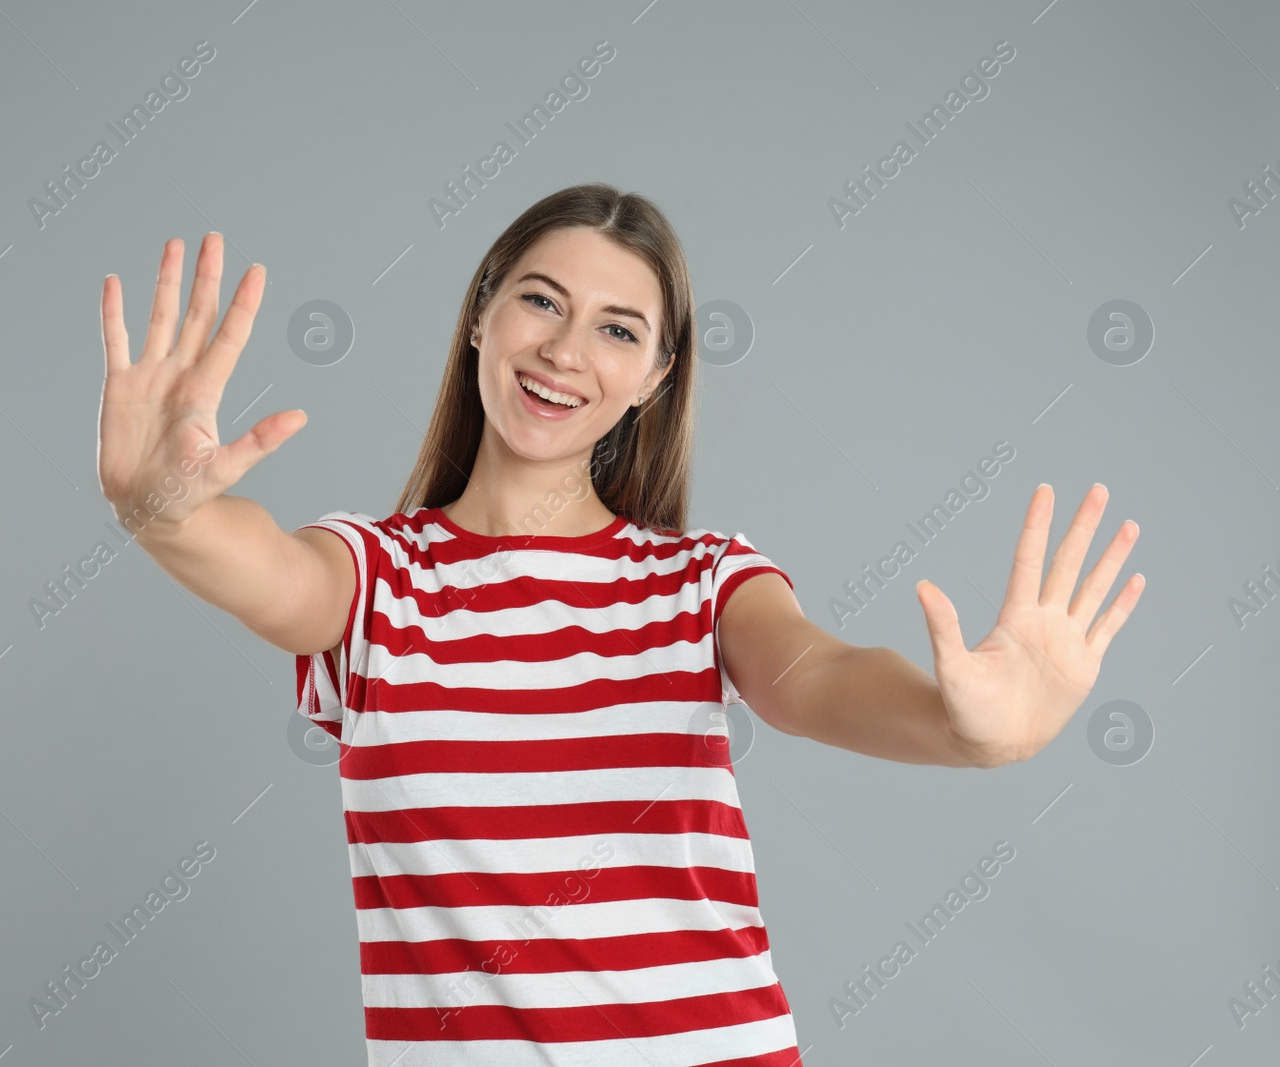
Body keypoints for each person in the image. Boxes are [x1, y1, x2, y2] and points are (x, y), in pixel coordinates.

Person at [97, 183, 1144, 1066]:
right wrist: (157, 500)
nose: (563, 348)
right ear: (480, 314)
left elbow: (813, 676)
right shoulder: (375, 581)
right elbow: (257, 567)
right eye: (539, 300)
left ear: (654, 379)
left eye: (617, 328)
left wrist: (967, 729)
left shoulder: (699, 582)